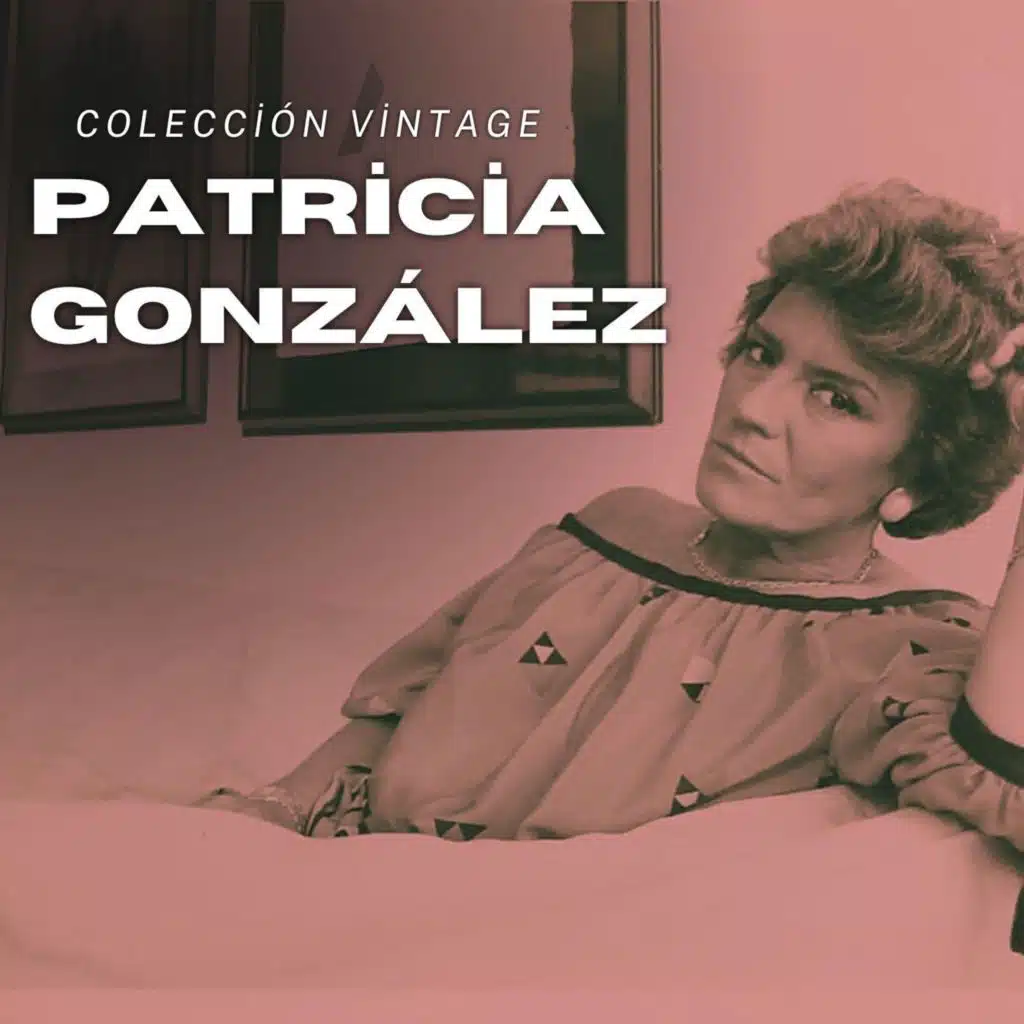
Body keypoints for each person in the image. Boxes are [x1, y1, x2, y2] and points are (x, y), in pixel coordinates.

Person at [199, 180, 1024, 856]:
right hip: (340, 902)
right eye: (761, 354)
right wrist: (260, 819)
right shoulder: (608, 532)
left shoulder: (914, 648)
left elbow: (1004, 794)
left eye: (836, 398)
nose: (753, 408)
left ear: (919, 475)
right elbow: (389, 723)